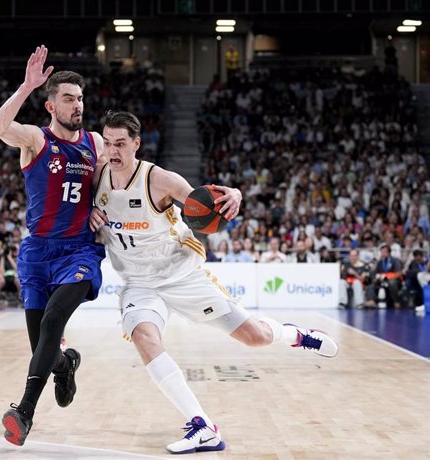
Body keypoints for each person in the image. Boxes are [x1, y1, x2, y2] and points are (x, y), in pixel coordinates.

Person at [89, 111, 338, 454]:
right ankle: (202, 426)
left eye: (120, 143)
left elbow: (205, 202)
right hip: (138, 284)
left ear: (136, 144)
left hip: (182, 277)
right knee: (144, 336)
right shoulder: (97, 174)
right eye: (107, 142)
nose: (112, 150)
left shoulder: (158, 179)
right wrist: (88, 212)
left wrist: (233, 193)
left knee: (255, 337)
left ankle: (294, 335)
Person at [0, 45, 106, 446]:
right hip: (37, 253)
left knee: (55, 319)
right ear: (51, 106)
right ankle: (66, 363)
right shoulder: (35, 140)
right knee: (43, 344)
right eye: (69, 99)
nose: (78, 105)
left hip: (79, 251)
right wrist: (25, 86)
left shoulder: (95, 142)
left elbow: (122, 178)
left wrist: (102, 207)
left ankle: (23, 412)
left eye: (80, 99)